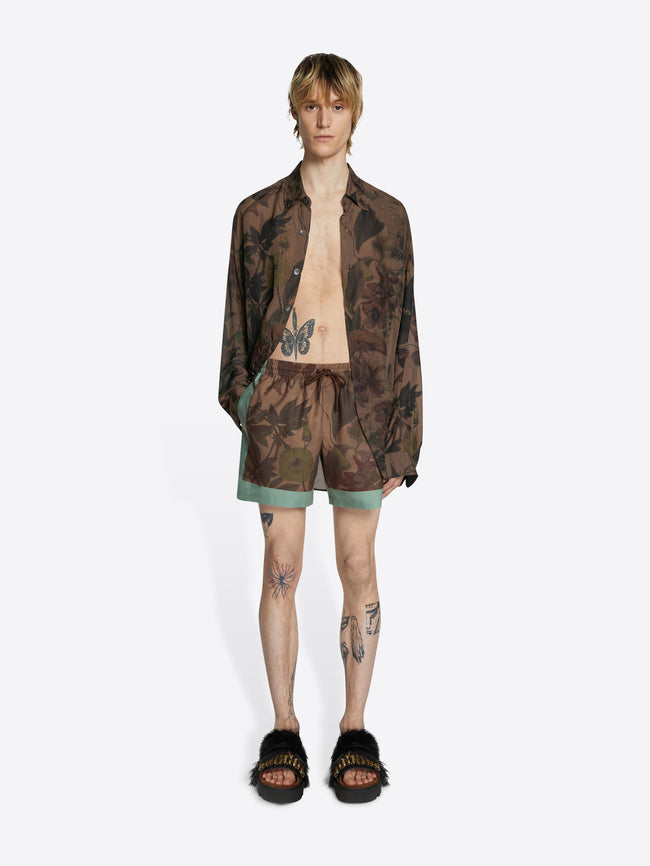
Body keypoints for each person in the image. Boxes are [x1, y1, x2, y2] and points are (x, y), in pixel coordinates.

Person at [219, 53, 422, 803]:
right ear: (296, 113)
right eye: (312, 104)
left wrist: (406, 434)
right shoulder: (258, 214)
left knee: (358, 565)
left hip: (363, 403)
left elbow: (405, 330)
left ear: (354, 113)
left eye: (337, 105)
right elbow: (236, 319)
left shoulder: (388, 217)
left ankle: (355, 727)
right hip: (282, 399)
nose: (325, 117)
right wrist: (245, 400)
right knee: (281, 563)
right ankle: (283, 726)